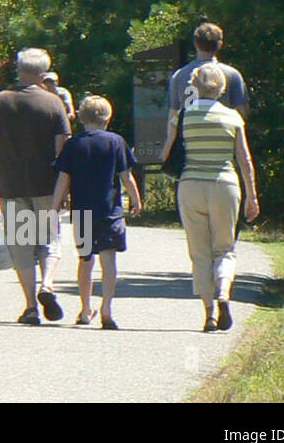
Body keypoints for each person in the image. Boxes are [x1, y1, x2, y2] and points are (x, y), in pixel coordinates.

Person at [0, 48, 73, 324]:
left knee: (21, 244)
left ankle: (30, 307)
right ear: (44, 74)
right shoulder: (54, 103)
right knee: (50, 238)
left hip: (12, 183)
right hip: (47, 184)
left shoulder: (0, 102)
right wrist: (67, 186)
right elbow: (64, 145)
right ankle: (49, 284)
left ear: (18, 69)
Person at [160, 63, 260, 332]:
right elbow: (244, 159)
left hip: (191, 185)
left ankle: (209, 314)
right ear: (223, 87)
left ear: (194, 86)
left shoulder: (183, 116)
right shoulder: (232, 118)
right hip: (225, 185)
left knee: (200, 253)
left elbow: (166, 154)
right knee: (225, 249)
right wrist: (252, 197)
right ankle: (224, 293)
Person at [51, 95, 143, 329]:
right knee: (108, 260)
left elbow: (64, 178)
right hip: (110, 210)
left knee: (85, 260)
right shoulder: (116, 142)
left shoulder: (74, 144)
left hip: (82, 212)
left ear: (81, 118)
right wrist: (135, 199)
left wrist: (54, 207)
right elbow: (126, 176)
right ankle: (107, 309)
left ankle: (85, 308)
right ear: (108, 118)